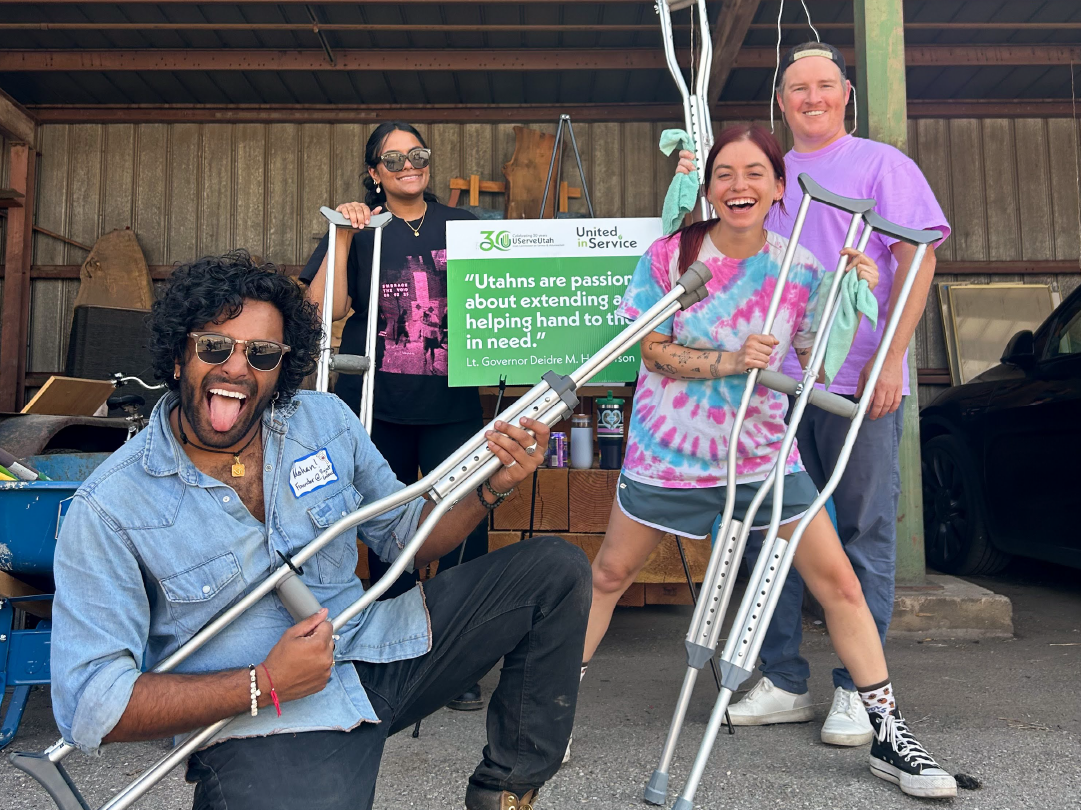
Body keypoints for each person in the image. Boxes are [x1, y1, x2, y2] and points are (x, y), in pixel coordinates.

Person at [50, 252, 590, 810]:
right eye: (215, 347)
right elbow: (90, 702)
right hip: (264, 720)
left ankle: (505, 793)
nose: (237, 369)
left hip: (377, 647)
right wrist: (263, 682)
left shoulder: (324, 421)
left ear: (283, 365)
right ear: (178, 353)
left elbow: (406, 534)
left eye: (261, 354)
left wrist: (489, 487)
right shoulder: (111, 505)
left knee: (555, 572)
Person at [579, 125, 956, 799]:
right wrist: (729, 360)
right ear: (708, 188)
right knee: (608, 574)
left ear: (779, 188)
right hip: (668, 453)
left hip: (758, 455)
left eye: (755, 173)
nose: (738, 186)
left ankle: (887, 731)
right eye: (724, 174)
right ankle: (549, 710)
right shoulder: (671, 256)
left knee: (838, 583)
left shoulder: (798, 269)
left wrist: (850, 295)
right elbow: (651, 348)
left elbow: (813, 362)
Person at [675, 41, 951, 751]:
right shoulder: (767, 173)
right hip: (774, 382)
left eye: (824, 86)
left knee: (861, 528)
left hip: (856, 380)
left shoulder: (883, 166)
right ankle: (783, 680)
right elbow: (724, 255)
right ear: (781, 100)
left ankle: (861, 694)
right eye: (797, 88)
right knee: (771, 525)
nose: (811, 99)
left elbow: (915, 262)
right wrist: (687, 188)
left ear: (846, 94)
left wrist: (891, 360)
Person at [302, 121, 488, 711]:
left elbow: (508, 290)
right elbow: (321, 309)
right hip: (378, 406)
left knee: (463, 526)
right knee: (389, 533)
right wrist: (341, 234)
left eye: (418, 154)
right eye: (394, 157)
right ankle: (400, 656)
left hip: (452, 404)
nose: (409, 164)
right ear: (373, 173)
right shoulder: (359, 229)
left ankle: (460, 659)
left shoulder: (463, 225)